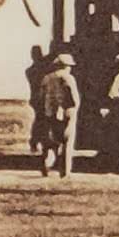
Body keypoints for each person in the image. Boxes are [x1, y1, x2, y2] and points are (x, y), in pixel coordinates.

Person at [32, 47, 82, 177]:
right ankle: (65, 172)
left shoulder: (46, 78)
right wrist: (75, 109)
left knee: (50, 140)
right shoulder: (68, 78)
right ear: (65, 66)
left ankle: (45, 166)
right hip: (66, 112)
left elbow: (40, 97)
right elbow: (74, 97)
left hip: (50, 112)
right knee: (67, 142)